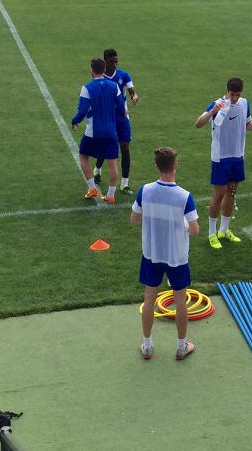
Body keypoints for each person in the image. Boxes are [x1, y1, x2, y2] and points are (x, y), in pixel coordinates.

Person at [131, 147, 199, 360]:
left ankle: (148, 346)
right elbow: (195, 230)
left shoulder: (145, 190)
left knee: (149, 299)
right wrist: (183, 226)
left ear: (156, 166)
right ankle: (181, 347)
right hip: (176, 255)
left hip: (152, 253)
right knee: (180, 301)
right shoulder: (184, 196)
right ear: (175, 165)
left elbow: (134, 219)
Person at [195, 77, 252, 249]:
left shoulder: (244, 104)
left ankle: (224, 230)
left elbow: (247, 124)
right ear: (226, 91)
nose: (234, 98)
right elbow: (198, 124)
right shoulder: (218, 104)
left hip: (237, 156)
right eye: (231, 94)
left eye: (237, 94)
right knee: (219, 194)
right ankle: (212, 233)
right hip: (220, 157)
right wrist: (212, 111)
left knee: (232, 192)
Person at [71, 58, 124, 204]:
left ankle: (92, 188)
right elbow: (121, 107)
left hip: (92, 132)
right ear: (104, 69)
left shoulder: (87, 88)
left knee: (83, 157)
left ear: (92, 70)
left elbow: (82, 111)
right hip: (110, 132)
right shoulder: (114, 86)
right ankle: (111, 195)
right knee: (112, 162)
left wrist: (74, 121)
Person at [93, 49, 139, 195]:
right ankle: (97, 170)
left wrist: (134, 96)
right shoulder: (100, 78)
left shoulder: (123, 75)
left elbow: (132, 90)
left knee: (125, 147)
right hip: (107, 118)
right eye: (112, 62)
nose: (114, 64)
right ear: (105, 61)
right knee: (106, 147)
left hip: (122, 117)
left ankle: (124, 183)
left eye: (116, 61)